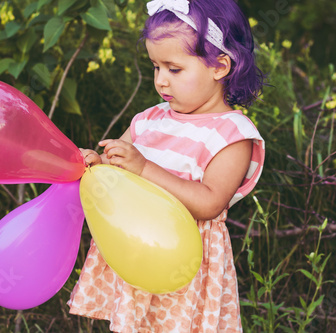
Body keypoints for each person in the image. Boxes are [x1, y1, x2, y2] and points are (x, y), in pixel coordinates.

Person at [68, 0, 265, 331]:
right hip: (137, 242)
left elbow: (210, 201)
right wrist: (97, 164)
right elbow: (118, 166)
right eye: (156, 67)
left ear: (219, 66)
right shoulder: (149, 119)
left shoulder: (232, 134)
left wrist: (144, 168)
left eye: (174, 69)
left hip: (185, 258)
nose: (161, 81)